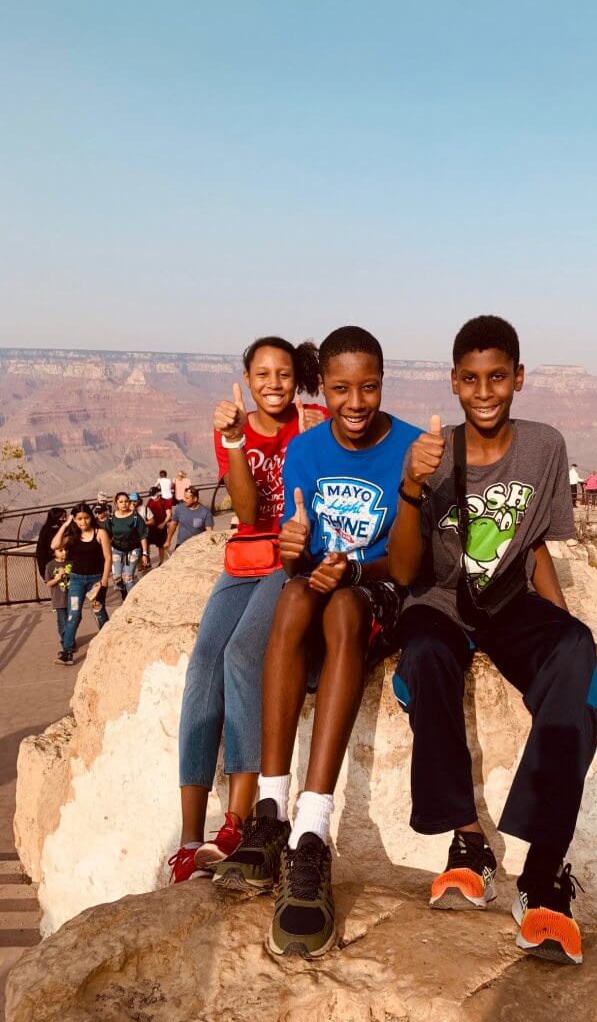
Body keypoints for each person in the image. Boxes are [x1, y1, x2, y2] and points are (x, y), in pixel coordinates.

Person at [387, 315, 597, 967]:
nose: (484, 391)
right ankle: (468, 842)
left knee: (575, 663)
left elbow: (535, 548)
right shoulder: (429, 456)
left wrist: (571, 632)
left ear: (518, 378)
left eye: (497, 377)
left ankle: (543, 875)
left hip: (506, 602)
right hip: (438, 602)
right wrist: (411, 488)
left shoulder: (544, 447)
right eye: (470, 379)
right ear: (453, 381)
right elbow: (406, 568)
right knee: (425, 660)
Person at [218, 326, 420, 959]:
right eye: (339, 389)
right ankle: (271, 812)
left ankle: (312, 831)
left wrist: (355, 569)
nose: (354, 403)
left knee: (343, 612)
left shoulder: (410, 448)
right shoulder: (306, 450)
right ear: (323, 389)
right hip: (317, 584)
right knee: (295, 598)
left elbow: (411, 566)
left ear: (382, 383)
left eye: (368, 387)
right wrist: (293, 550)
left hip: (375, 590)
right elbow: (292, 554)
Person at [168, 336, 328, 885]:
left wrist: (315, 440)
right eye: (262, 374)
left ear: (297, 377)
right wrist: (235, 441)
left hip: (291, 561)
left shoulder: (314, 421)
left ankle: (236, 822)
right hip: (243, 560)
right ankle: (190, 839)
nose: (273, 383)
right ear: (247, 379)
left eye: (283, 373)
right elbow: (247, 509)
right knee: (202, 667)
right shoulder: (231, 427)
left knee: (242, 655)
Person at [50, 503, 112, 665]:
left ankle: (109, 641)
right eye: (79, 519)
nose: (83, 522)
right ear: (75, 520)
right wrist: (65, 525)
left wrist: (104, 581)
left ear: (91, 517)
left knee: (98, 609)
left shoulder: (100, 533)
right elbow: (54, 545)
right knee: (73, 614)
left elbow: (108, 558)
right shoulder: (72, 536)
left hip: (95, 580)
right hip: (77, 580)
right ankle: (67, 652)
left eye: (86, 518)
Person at [104, 491, 150, 599]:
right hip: (117, 549)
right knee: (116, 577)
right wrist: (106, 553)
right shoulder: (111, 518)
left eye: (126, 501)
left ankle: (133, 600)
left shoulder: (135, 517)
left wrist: (145, 554)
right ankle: (124, 593)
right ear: (116, 503)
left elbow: (143, 535)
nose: (124, 504)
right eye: (121, 502)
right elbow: (106, 536)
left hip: (133, 549)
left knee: (128, 577)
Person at [44, 545, 72, 650]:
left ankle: (70, 640)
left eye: (66, 549)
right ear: (54, 552)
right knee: (62, 622)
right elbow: (48, 583)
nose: (64, 552)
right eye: (61, 550)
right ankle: (65, 642)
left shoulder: (71, 563)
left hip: (71, 598)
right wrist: (58, 577)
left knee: (72, 621)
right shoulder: (50, 565)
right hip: (59, 600)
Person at [35, 507, 67, 579]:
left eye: (65, 517)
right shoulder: (49, 531)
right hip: (51, 564)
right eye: (62, 517)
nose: (65, 519)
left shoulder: (47, 529)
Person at [146, 486, 171, 565]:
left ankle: (161, 562)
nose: (152, 496)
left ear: (158, 493)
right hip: (151, 527)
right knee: (147, 544)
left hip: (161, 527)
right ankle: (148, 562)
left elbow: (169, 514)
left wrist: (163, 524)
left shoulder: (165, 501)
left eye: (153, 494)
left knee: (161, 546)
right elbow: (147, 512)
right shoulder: (150, 501)